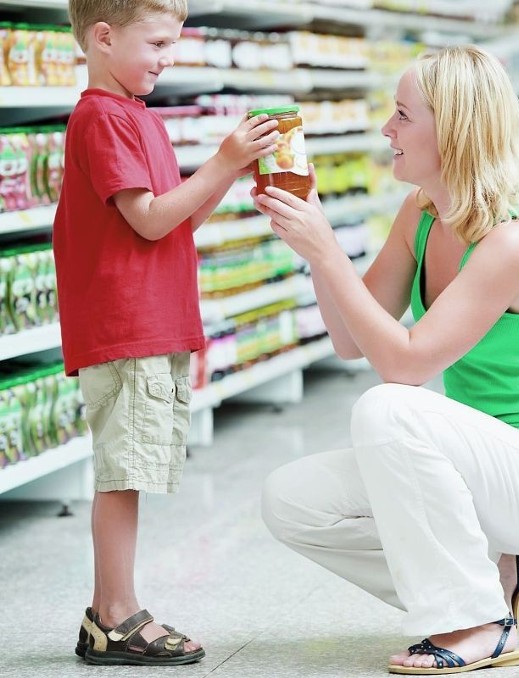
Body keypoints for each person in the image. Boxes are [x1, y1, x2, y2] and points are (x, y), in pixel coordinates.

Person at [256, 45, 519, 675]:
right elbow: (350, 339)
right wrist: (314, 244)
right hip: (482, 469)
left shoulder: (514, 242)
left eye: (401, 115)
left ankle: (478, 621)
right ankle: (483, 582)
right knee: (291, 499)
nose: (385, 131)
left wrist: (329, 254)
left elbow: (404, 366)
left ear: (452, 129)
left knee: (391, 408)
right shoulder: (422, 216)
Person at [53, 0, 279, 666]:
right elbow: (150, 221)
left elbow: (172, 220)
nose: (167, 57)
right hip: (126, 325)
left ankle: (110, 613)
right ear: (102, 36)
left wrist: (230, 173)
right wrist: (221, 159)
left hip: (149, 321)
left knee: (128, 470)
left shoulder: (135, 117)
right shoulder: (102, 118)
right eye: (155, 43)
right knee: (121, 474)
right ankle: (115, 614)